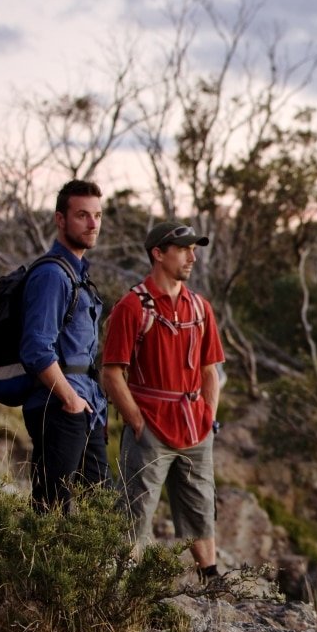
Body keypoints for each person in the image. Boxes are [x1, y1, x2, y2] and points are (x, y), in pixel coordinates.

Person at [101, 221, 225, 580]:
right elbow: (112, 373)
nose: (192, 257)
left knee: (201, 504)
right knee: (135, 511)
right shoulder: (132, 307)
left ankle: (211, 579)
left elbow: (209, 370)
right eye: (184, 249)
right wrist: (137, 423)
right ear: (158, 253)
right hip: (150, 426)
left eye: (194, 249)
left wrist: (208, 418)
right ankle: (122, 586)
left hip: (194, 425)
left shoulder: (200, 308)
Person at [20, 178, 110, 511]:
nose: (92, 224)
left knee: (104, 508)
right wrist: (70, 399)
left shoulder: (79, 275)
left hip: (87, 407)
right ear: (60, 219)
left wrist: (90, 405)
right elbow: (36, 348)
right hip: (59, 406)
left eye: (98, 216)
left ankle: (93, 566)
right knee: (53, 508)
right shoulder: (52, 276)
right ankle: (33, 564)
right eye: (82, 215)